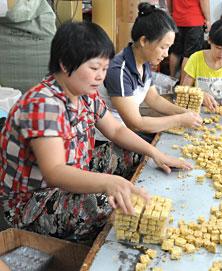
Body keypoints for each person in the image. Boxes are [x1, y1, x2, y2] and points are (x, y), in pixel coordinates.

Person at [0, 21, 191, 242]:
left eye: (104, 68)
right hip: (35, 201)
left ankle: (129, 194)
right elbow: (55, 172)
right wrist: (107, 183)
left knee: (133, 150)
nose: (101, 76)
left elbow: (117, 130)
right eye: (94, 68)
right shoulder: (44, 105)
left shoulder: (84, 93)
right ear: (64, 64)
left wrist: (156, 153)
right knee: (111, 209)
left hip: (76, 169)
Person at [93, 3, 202, 178]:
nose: (166, 54)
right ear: (144, 41)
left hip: (127, 132)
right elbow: (135, 123)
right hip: (107, 140)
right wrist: (179, 120)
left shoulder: (143, 63)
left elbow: (153, 99)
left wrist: (185, 112)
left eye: (169, 48)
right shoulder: (119, 70)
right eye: (163, 47)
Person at [167, 0, 211, 82]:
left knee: (175, 52)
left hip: (177, 20)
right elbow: (204, 1)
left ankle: (171, 80)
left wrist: (171, 13)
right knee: (190, 55)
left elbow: (169, 2)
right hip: (194, 21)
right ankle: (183, 85)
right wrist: (208, 20)